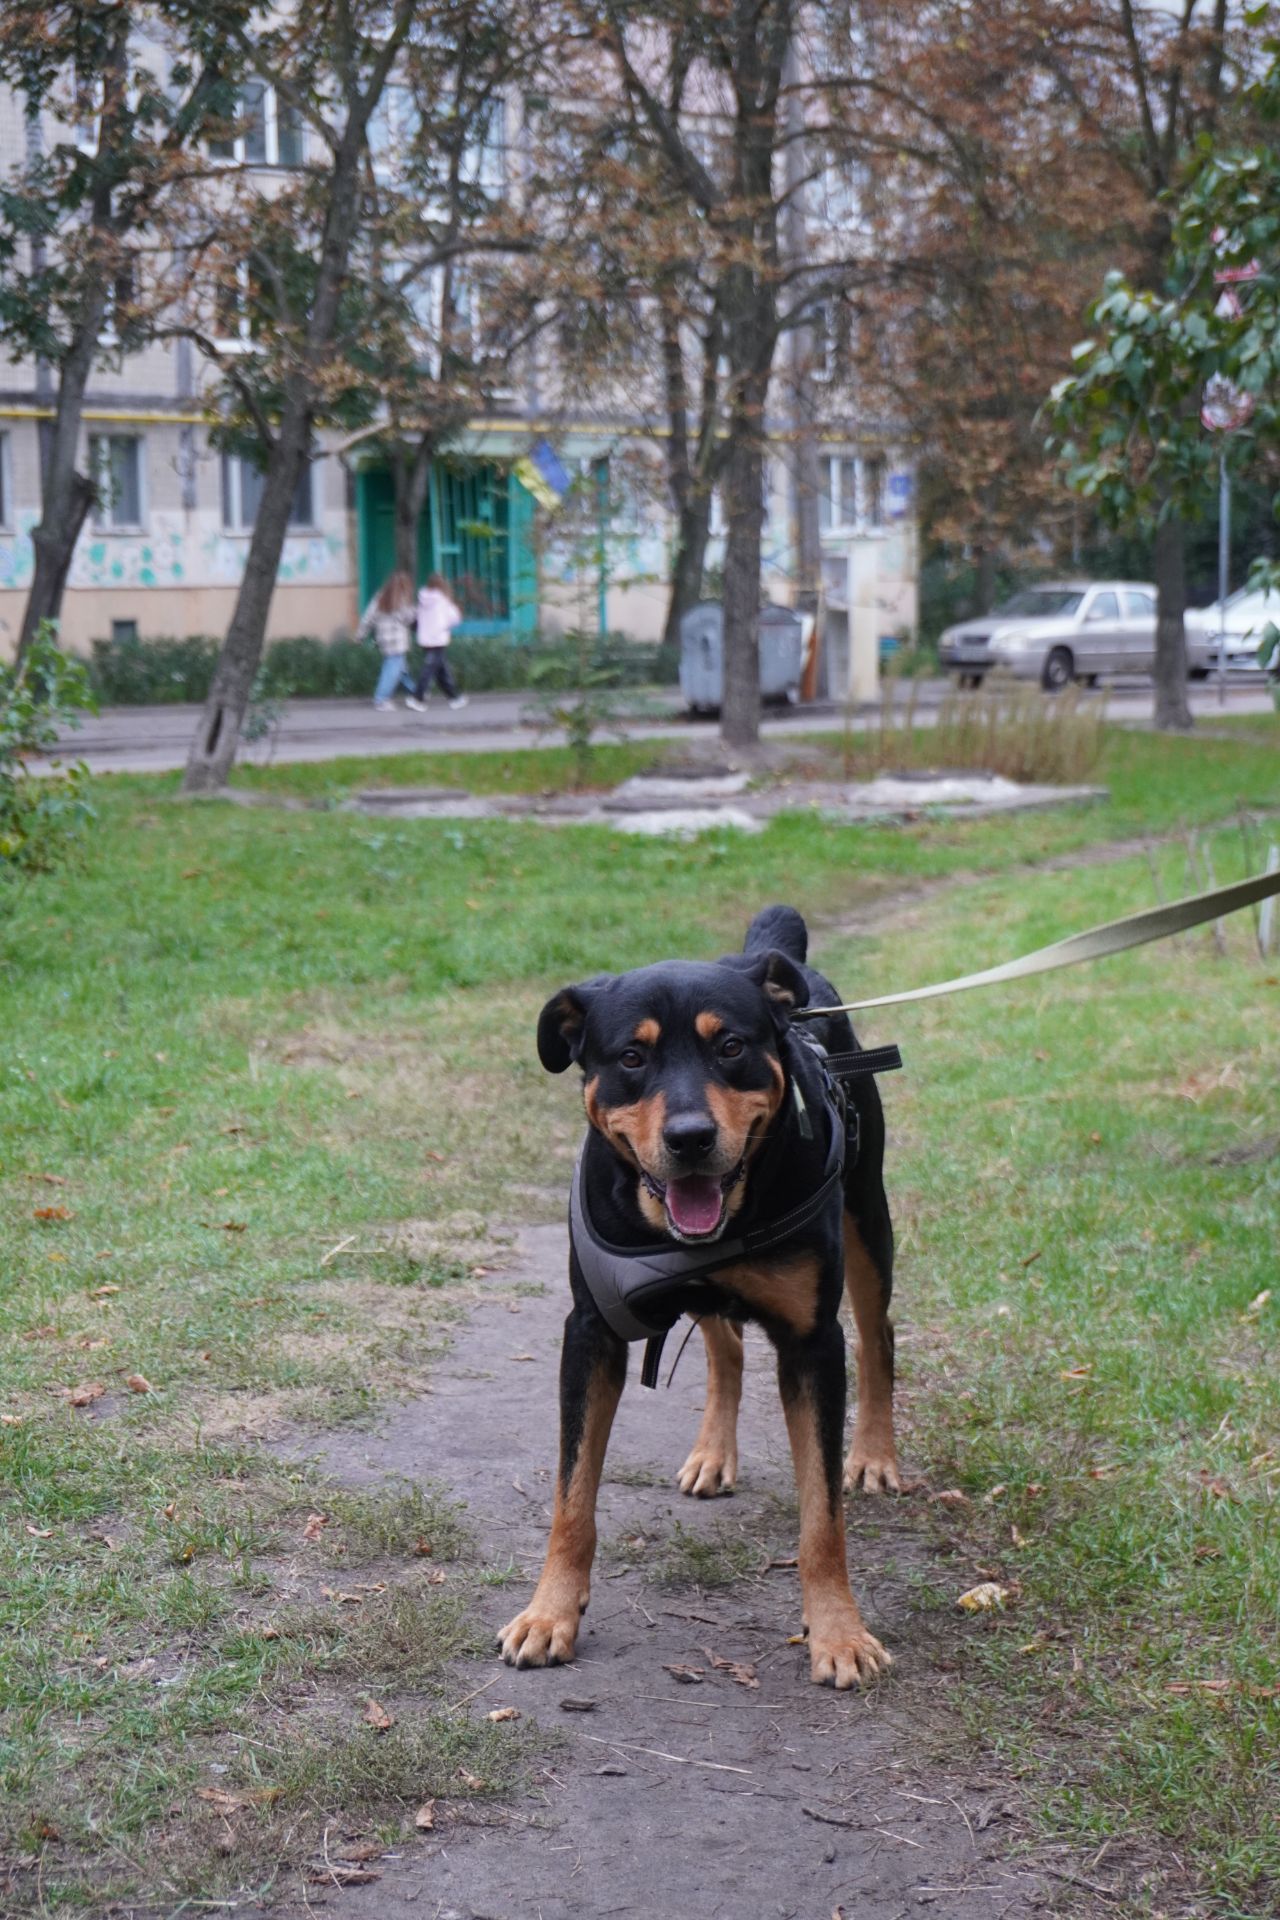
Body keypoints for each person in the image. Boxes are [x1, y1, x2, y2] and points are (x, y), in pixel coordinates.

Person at [356, 570, 417, 710]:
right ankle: (381, 699)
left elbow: (368, 618)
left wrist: (360, 635)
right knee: (392, 669)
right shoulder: (401, 601)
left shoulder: (380, 598)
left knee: (400, 669)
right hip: (397, 641)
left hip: (383, 640)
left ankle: (416, 692)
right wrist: (416, 611)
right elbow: (408, 618)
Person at [406, 573, 467, 711]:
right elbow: (454, 617)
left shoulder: (422, 599)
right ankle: (417, 698)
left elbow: (416, 616)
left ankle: (454, 698)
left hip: (425, 639)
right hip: (438, 639)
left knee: (441, 670)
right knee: (429, 670)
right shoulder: (443, 600)